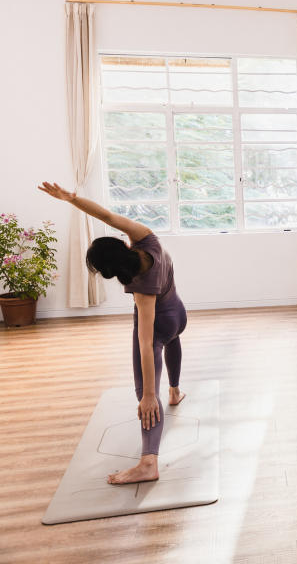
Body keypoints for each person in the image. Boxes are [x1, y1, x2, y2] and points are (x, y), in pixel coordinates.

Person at [38, 182, 187, 483]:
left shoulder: (141, 289)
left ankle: (148, 463)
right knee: (173, 341)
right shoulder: (148, 240)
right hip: (178, 314)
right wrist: (72, 199)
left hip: (158, 324)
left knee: (145, 390)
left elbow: (146, 344)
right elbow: (107, 216)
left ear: (109, 272)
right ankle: (174, 391)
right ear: (121, 246)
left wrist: (147, 395)